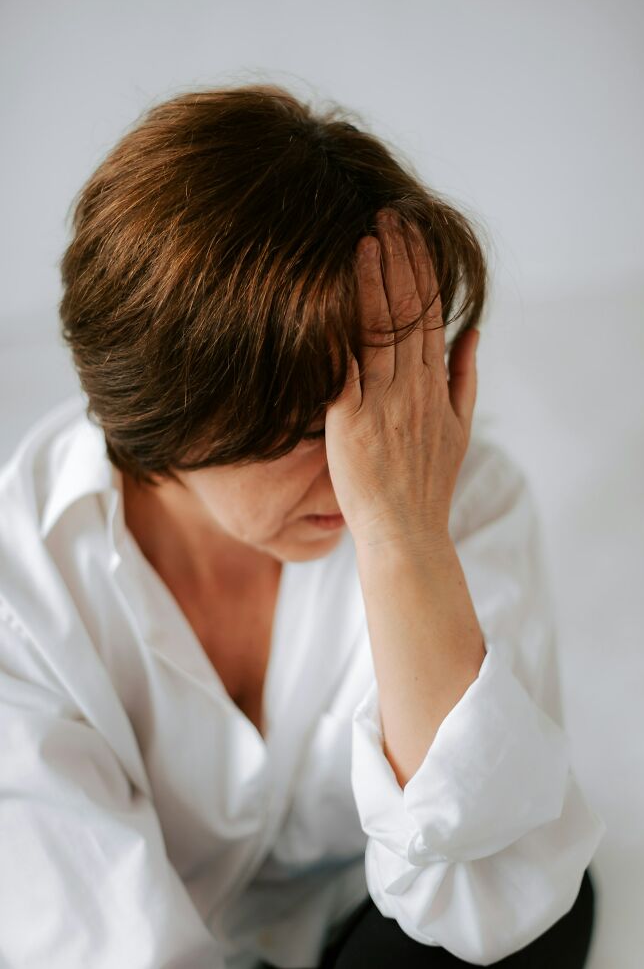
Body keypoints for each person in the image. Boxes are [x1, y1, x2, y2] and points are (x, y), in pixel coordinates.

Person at [0, 84, 606, 969]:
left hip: (368, 927)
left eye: (390, 396)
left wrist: (404, 539)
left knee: (543, 904)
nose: (372, 461)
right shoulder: (24, 596)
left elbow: (501, 889)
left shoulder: (451, 497)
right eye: (306, 431)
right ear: (172, 421)